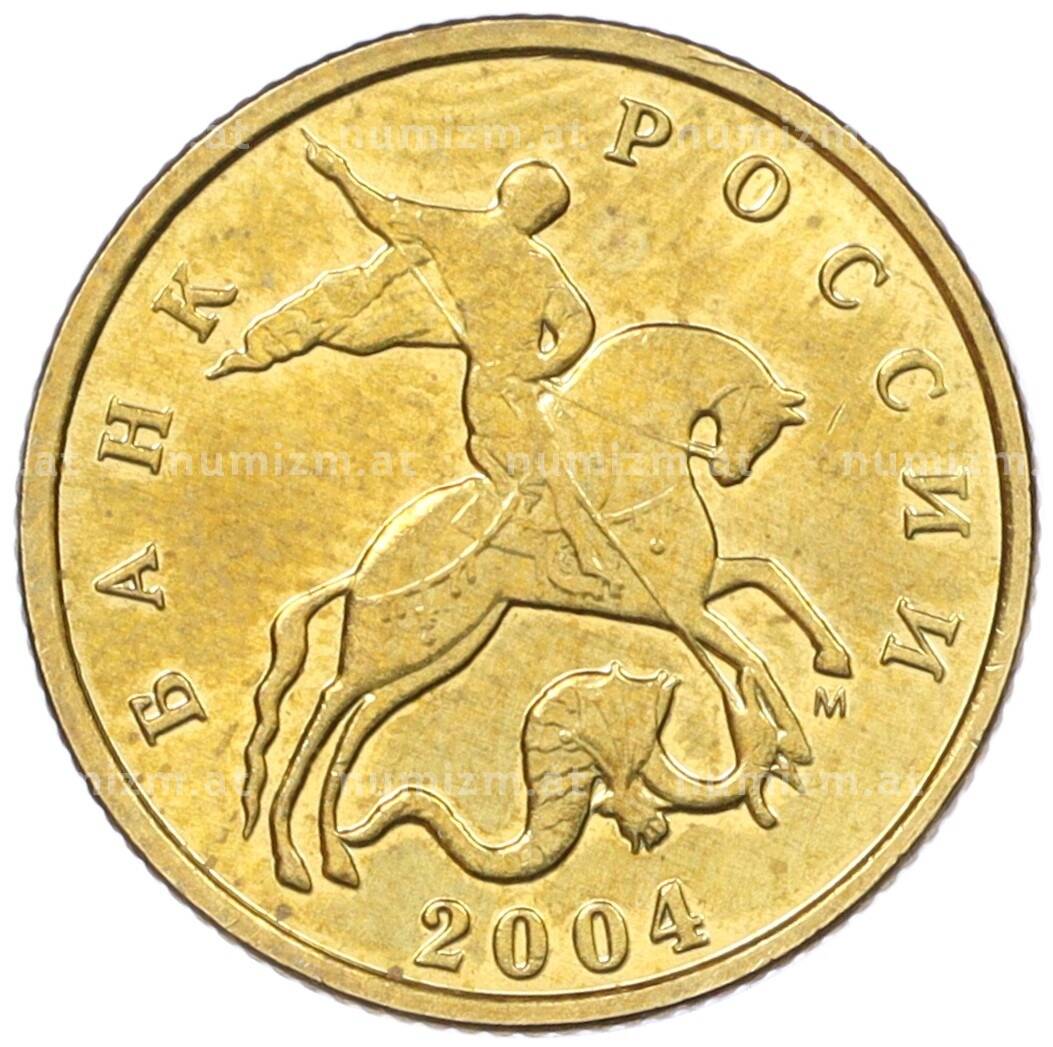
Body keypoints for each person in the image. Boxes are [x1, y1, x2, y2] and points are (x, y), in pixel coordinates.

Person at [210, 133, 617, 595]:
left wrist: (341, 173)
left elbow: (383, 213)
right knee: (548, 470)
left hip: (505, 384)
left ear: (508, 193)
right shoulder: (531, 261)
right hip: (508, 388)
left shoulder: (461, 231)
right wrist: (540, 365)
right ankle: (561, 558)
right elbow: (577, 323)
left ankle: (562, 547)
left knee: (557, 467)